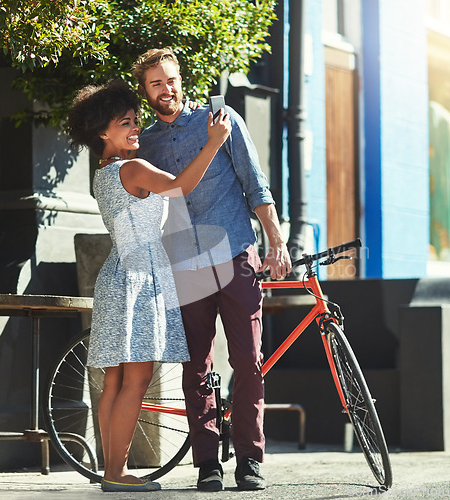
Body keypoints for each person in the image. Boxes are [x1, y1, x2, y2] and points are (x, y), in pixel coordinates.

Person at [132, 48, 292, 492]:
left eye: (171, 79)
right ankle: (207, 463)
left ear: (182, 78)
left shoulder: (220, 121)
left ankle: (249, 460)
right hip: (184, 263)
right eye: (156, 83)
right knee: (196, 367)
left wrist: (275, 241)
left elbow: (255, 183)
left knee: (248, 360)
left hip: (235, 255)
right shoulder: (144, 143)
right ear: (146, 92)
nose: (167, 89)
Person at [67, 79, 231, 493]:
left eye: (136, 120)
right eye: (126, 122)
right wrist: (213, 141)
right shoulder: (133, 169)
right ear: (104, 132)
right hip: (140, 277)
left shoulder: (102, 174)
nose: (136, 127)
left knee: (115, 382)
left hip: (117, 274)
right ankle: (117, 474)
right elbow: (182, 186)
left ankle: (111, 472)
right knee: (136, 381)